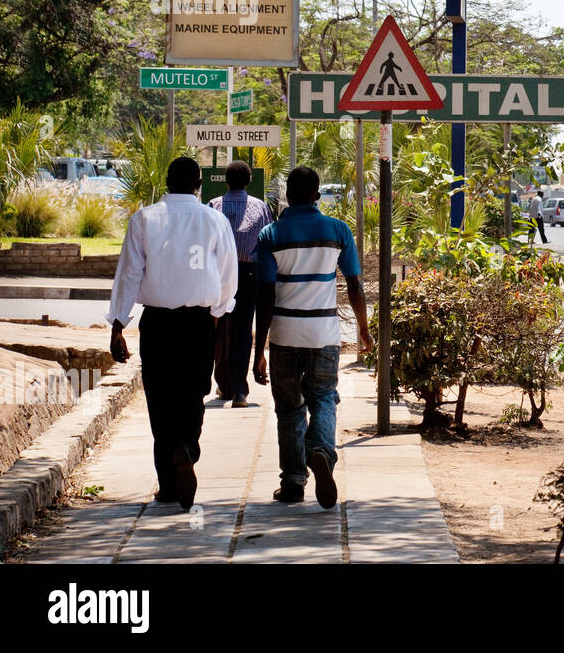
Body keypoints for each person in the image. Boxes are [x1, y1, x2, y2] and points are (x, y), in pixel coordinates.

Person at [107, 157, 238, 511]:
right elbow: (227, 274)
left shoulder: (144, 219)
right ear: (199, 184)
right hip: (198, 323)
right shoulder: (215, 220)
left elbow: (129, 274)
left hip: (158, 324)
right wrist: (218, 315)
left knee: (160, 398)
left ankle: (168, 481)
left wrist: (118, 325)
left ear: (167, 180)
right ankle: (187, 449)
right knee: (194, 393)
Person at [253, 167, 372, 508]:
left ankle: (292, 482)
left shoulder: (270, 235)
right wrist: (363, 329)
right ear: (317, 196)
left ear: (288, 195)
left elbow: (265, 295)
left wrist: (258, 350)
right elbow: (354, 284)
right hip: (324, 334)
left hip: (284, 336)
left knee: (289, 409)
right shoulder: (338, 231)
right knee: (322, 397)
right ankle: (320, 450)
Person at [208, 160, 274, 407]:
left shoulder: (214, 206)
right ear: (248, 181)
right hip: (248, 273)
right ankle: (239, 390)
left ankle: (222, 382)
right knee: (243, 330)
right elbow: (267, 242)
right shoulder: (261, 207)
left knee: (219, 327)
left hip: (219, 273)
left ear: (226, 180)